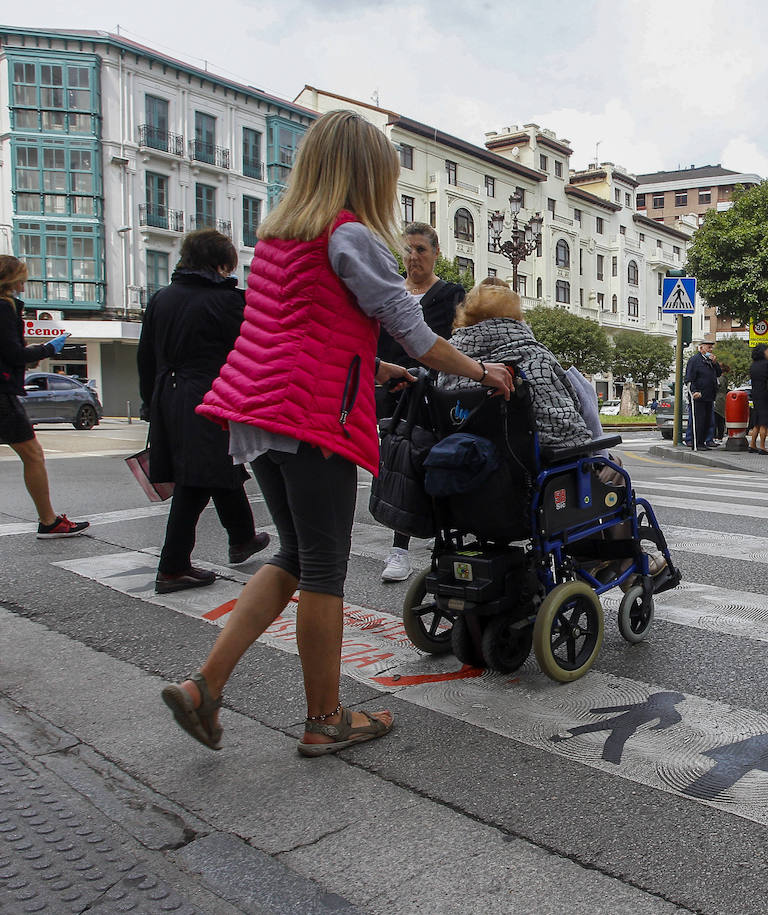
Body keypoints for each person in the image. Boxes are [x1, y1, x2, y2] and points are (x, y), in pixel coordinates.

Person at [160, 110, 514, 758]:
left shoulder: (278, 237)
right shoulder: (349, 237)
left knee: (292, 555)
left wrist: (376, 367)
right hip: (310, 414)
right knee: (324, 566)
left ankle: (205, 686)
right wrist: (483, 370)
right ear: (366, 174)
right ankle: (325, 717)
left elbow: (299, 327)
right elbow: (418, 334)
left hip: (257, 409)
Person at [137, 230, 270, 594]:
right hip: (210, 395)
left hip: (169, 394)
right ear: (221, 263)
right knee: (195, 481)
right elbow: (254, 351)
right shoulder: (227, 302)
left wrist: (151, 401)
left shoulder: (161, 299)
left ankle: (242, 537)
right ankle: (173, 566)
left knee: (216, 465)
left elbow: (145, 356)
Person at [378, 222, 467, 583]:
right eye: (408, 250)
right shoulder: (388, 291)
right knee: (393, 467)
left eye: (421, 250)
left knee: (418, 465)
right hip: (388, 393)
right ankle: (403, 542)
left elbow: (455, 341)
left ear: (435, 254)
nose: (413, 257)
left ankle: (403, 549)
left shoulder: (450, 294)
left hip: (430, 393)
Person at [441, 277, 589, 448]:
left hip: (459, 459)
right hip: (525, 466)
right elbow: (564, 428)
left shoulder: (448, 360)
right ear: (516, 317)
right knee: (613, 466)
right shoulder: (536, 358)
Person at [0, 256, 90, 539]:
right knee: (34, 455)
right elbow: (12, 353)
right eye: (22, 277)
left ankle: (49, 520)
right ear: (11, 279)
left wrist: (29, 357)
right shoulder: (3, 307)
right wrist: (49, 349)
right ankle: (48, 521)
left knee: (33, 455)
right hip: (2, 395)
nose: (24, 283)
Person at [683, 339, 720, 448]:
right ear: (701, 348)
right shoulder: (695, 360)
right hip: (699, 395)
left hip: (709, 395)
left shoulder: (709, 361)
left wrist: (715, 363)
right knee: (699, 420)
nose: (711, 349)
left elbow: (718, 373)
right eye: (708, 347)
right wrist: (694, 391)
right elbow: (689, 378)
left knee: (707, 420)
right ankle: (696, 442)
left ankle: (703, 441)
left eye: (711, 347)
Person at [747, 343, 768, 455]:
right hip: (766, 395)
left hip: (755, 396)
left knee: (756, 422)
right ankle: (762, 447)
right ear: (763, 352)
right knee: (764, 422)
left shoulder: (753, 366)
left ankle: (752, 444)